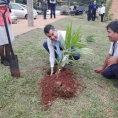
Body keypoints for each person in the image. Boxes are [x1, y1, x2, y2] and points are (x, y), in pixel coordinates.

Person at [0, 1, 14, 66]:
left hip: (7, 19)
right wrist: (3, 4)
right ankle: (3, 59)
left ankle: (8, 57)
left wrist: (7, 4)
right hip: (0, 22)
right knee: (1, 43)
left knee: (8, 41)